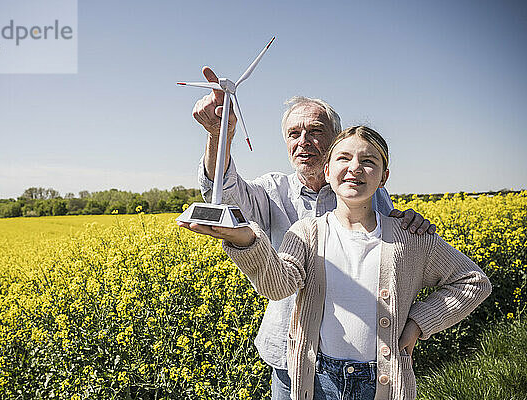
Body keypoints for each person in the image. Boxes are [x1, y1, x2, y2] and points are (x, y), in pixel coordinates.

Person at [179, 126, 491, 400]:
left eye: (369, 161)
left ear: (384, 177)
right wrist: (247, 240)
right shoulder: (306, 231)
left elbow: (473, 282)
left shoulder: (411, 237)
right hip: (317, 379)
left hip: (382, 381)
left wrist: (417, 324)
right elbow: (279, 285)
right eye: (344, 159)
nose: (355, 167)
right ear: (327, 171)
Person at [191, 66, 436, 398]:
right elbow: (221, 194)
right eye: (293, 134)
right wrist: (219, 136)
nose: (303, 142)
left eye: (315, 131)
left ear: (335, 140)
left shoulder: (367, 191)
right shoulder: (271, 190)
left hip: (361, 359)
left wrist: (412, 226)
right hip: (290, 356)